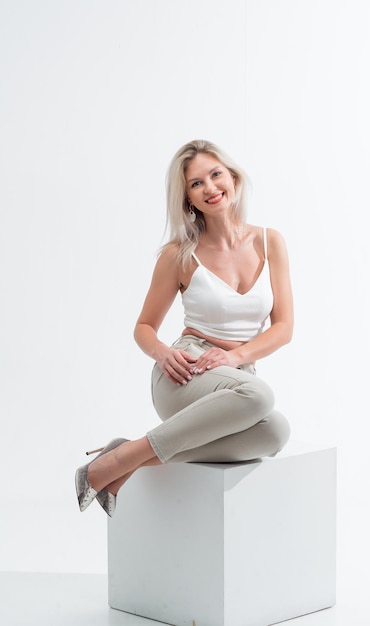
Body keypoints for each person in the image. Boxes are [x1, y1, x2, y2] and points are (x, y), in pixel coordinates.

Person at [75, 139, 294, 517]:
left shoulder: (269, 241)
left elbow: (284, 326)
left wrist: (236, 355)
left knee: (275, 433)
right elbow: (144, 326)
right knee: (259, 397)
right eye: (196, 184)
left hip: (236, 378)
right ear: (188, 199)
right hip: (186, 373)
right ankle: (111, 464)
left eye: (215, 175)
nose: (210, 188)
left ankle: (125, 456)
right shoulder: (179, 254)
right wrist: (163, 352)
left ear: (233, 179)